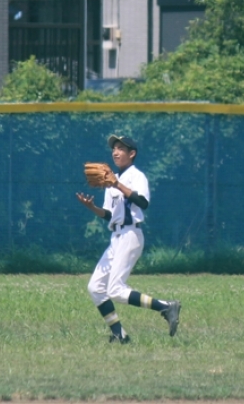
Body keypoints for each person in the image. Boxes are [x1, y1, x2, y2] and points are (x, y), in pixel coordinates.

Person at [76, 134, 181, 344]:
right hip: (116, 238)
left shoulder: (136, 176)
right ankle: (119, 335)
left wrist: (117, 184)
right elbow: (109, 214)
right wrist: (92, 207)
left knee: (115, 289)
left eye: (120, 149)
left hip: (131, 235)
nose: (115, 152)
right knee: (95, 288)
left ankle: (166, 307)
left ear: (132, 154)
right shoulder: (110, 180)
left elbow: (143, 202)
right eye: (114, 149)